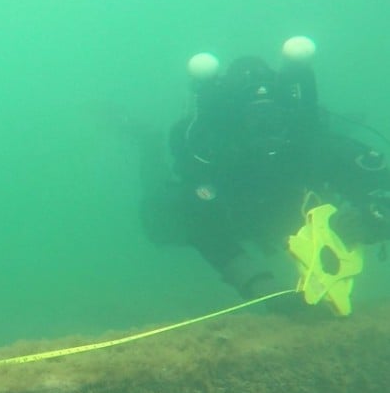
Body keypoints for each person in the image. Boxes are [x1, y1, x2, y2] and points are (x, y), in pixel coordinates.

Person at [139, 36, 390, 308]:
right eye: (255, 119)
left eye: (272, 118)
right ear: (233, 120)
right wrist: (260, 285)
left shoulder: (305, 140)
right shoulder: (212, 155)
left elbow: (370, 174)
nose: (266, 128)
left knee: (331, 149)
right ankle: (145, 144)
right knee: (163, 215)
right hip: (236, 217)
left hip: (290, 211)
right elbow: (202, 226)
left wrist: (373, 215)